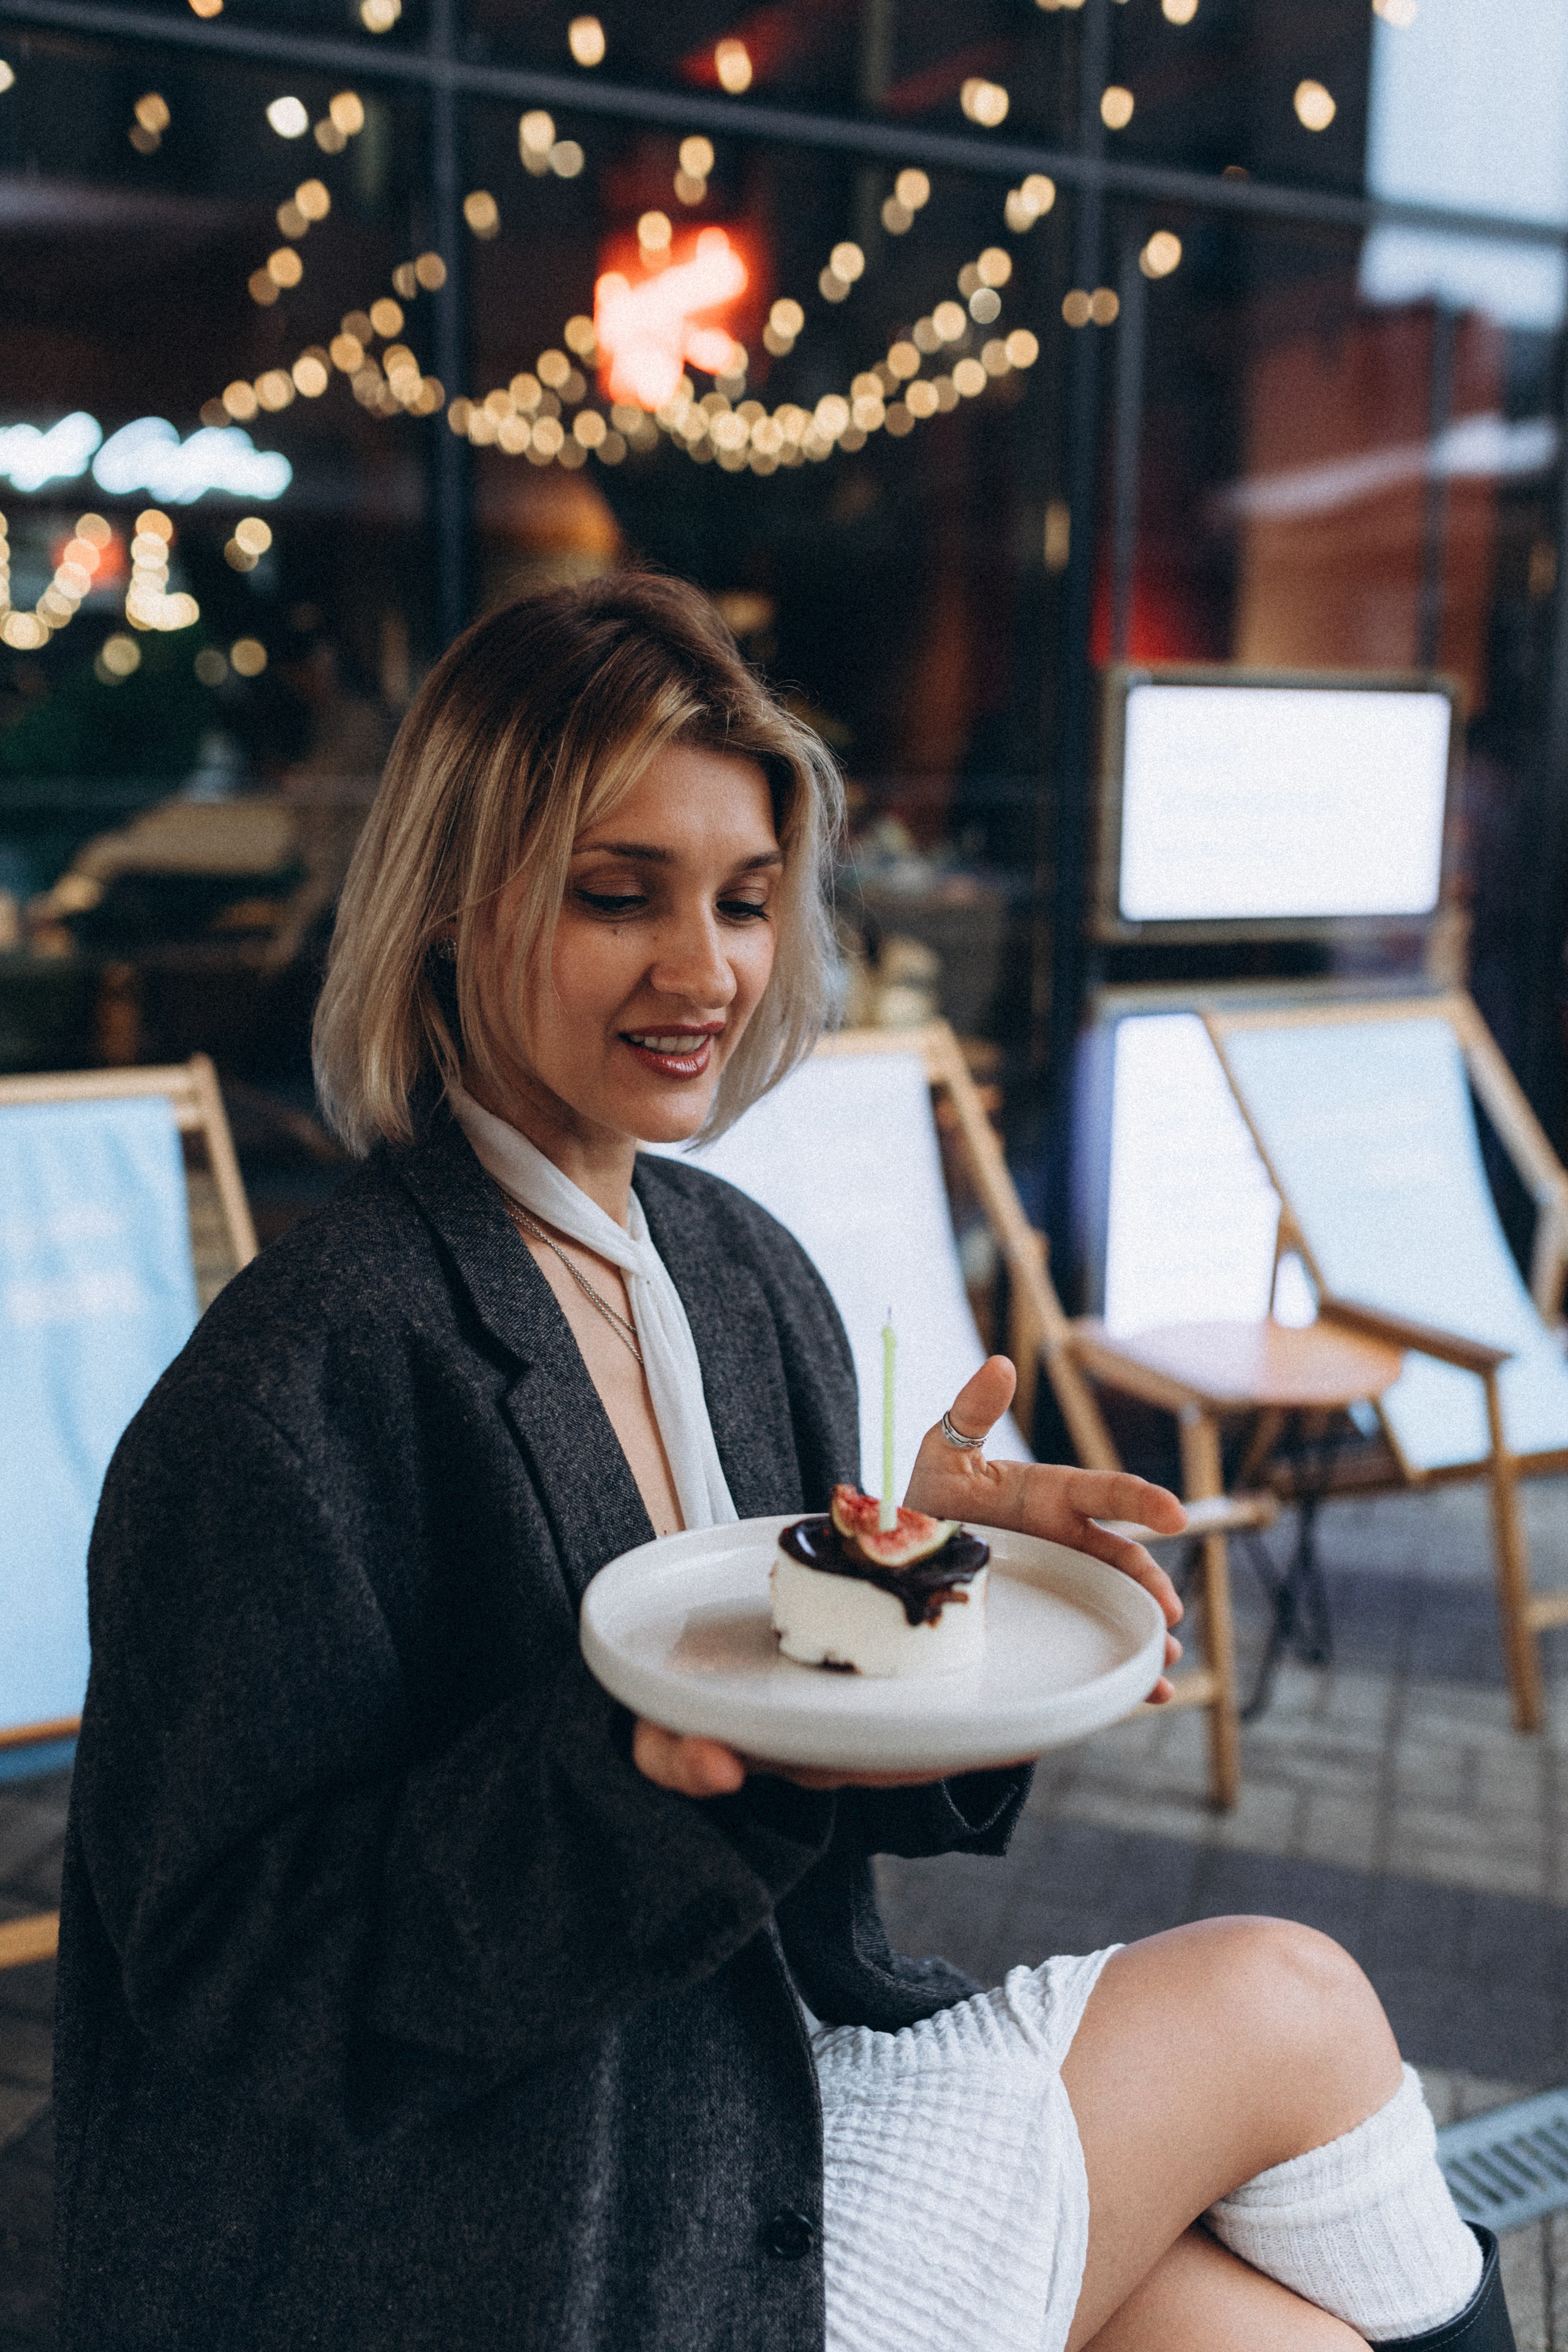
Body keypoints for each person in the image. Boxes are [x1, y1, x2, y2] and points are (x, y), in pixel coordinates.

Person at [55, 575, 1513, 2352]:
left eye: (745, 901)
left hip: (773, 2087)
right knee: (1289, 1997)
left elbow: (826, 1781)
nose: (706, 972)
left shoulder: (741, 1275)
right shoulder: (292, 1388)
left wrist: (929, 1596)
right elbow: (237, 1985)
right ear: (445, 909)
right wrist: (641, 1771)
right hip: (520, 2230)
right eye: (619, 896)